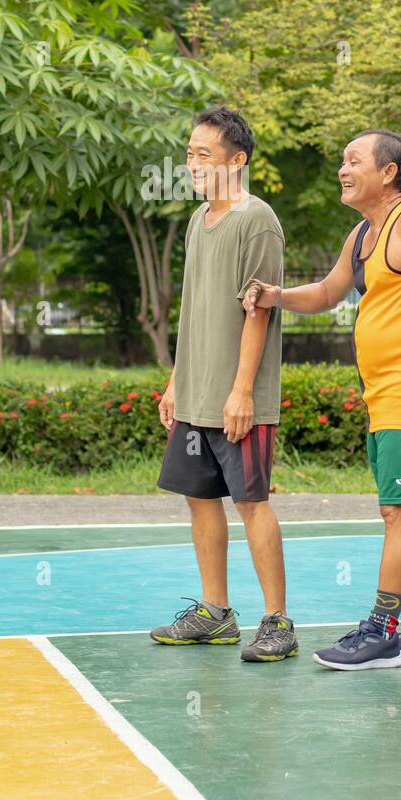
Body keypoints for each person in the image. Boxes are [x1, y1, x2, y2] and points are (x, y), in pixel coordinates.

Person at [243, 130, 401, 670]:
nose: (343, 170)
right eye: (342, 162)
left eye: (354, 161)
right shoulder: (363, 235)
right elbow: (328, 292)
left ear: (388, 171)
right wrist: (277, 295)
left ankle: (381, 633)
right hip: (386, 395)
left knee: (398, 511)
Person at [151, 106, 298, 662]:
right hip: (195, 393)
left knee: (251, 501)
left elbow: (257, 312)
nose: (192, 163)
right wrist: (175, 383)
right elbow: (196, 311)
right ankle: (215, 614)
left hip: (241, 398)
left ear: (236, 161)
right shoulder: (197, 220)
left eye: (203, 154)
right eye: (188, 153)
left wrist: (241, 392)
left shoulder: (257, 220)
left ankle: (277, 621)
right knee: (199, 498)